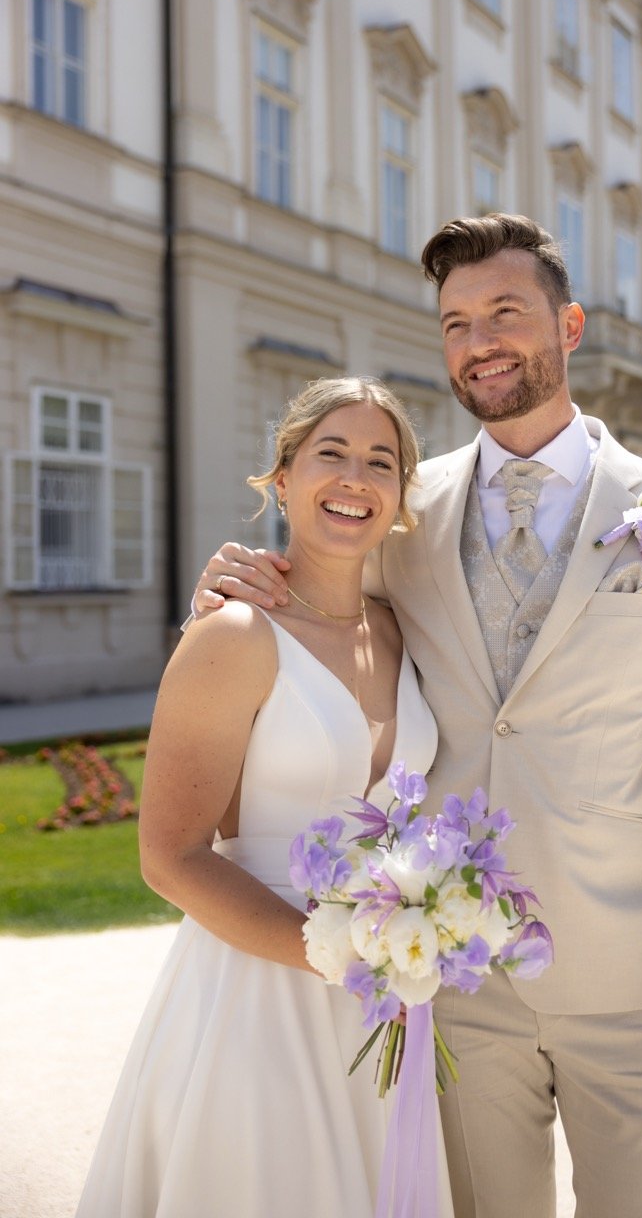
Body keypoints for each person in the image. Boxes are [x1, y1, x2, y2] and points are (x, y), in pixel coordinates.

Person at [195, 214, 642, 1218]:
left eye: (504, 312)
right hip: (453, 976)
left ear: (569, 326)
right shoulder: (402, 509)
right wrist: (232, 584)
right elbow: (317, 618)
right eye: (455, 323)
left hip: (628, 977)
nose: (479, 342)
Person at [77, 377, 454, 1218]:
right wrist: (340, 958)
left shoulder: (404, 631)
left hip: (385, 1002)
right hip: (253, 991)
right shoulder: (235, 632)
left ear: (400, 496)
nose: (354, 478)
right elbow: (169, 858)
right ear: (282, 480)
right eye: (331, 453)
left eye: (380, 462)